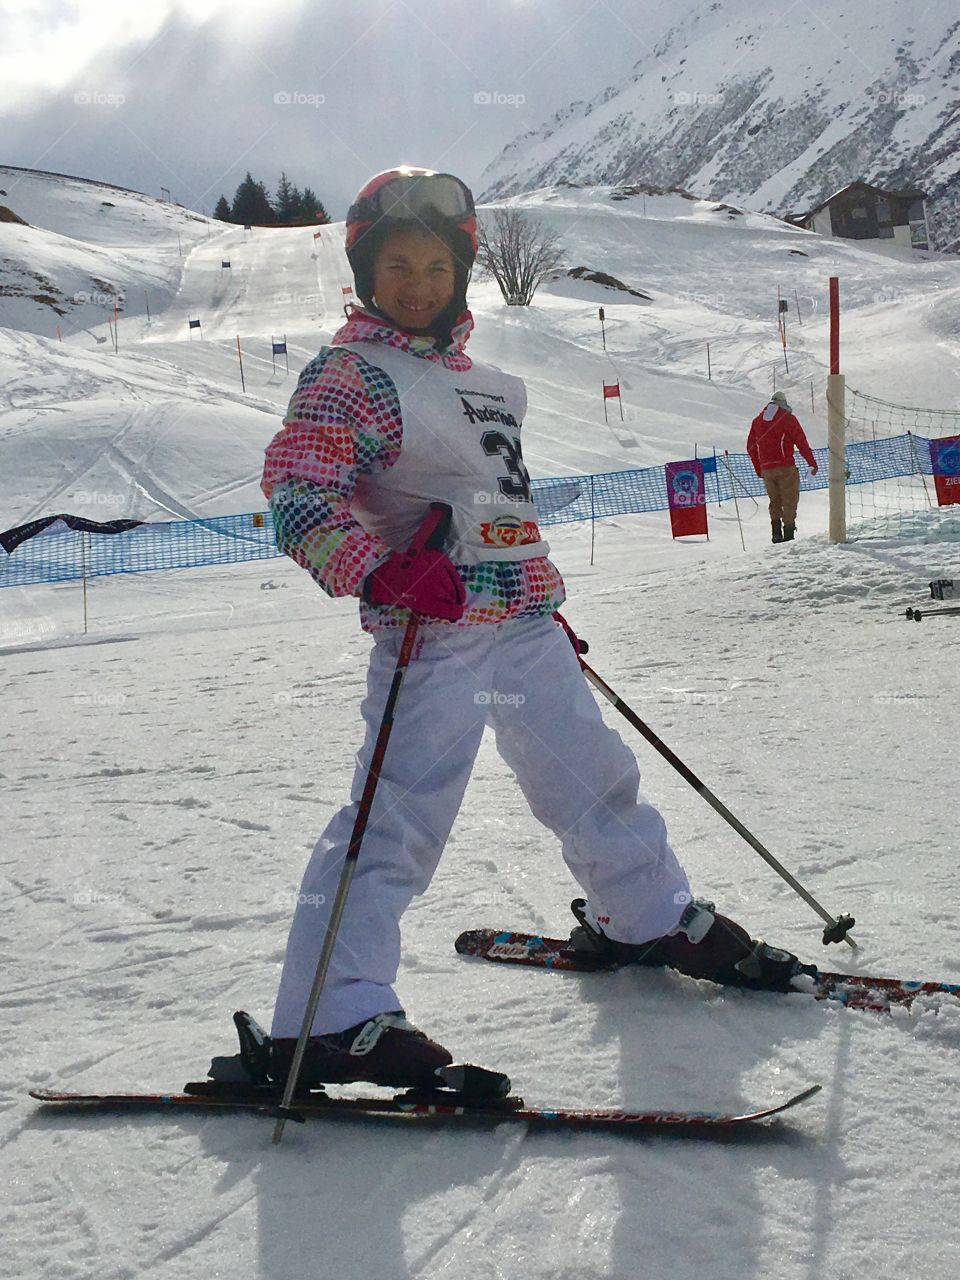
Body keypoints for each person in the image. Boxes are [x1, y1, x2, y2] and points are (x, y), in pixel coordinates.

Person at [260, 167, 815, 1091]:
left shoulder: (492, 386)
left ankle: (646, 914)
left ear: (461, 273)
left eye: (436, 266)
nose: (418, 283)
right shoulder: (349, 377)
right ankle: (327, 1014)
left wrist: (546, 601)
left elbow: (501, 509)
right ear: (364, 271)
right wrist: (377, 568)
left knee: (595, 777)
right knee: (397, 818)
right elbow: (297, 491)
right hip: (431, 635)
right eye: (397, 264)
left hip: (523, 625)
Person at [747, 391, 818, 543]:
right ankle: (788, 534)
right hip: (786, 467)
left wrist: (759, 468)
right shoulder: (788, 419)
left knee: (774, 501)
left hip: (767, 470)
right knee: (789, 500)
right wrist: (812, 463)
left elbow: (751, 447)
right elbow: (801, 442)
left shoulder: (757, 422)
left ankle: (776, 533)